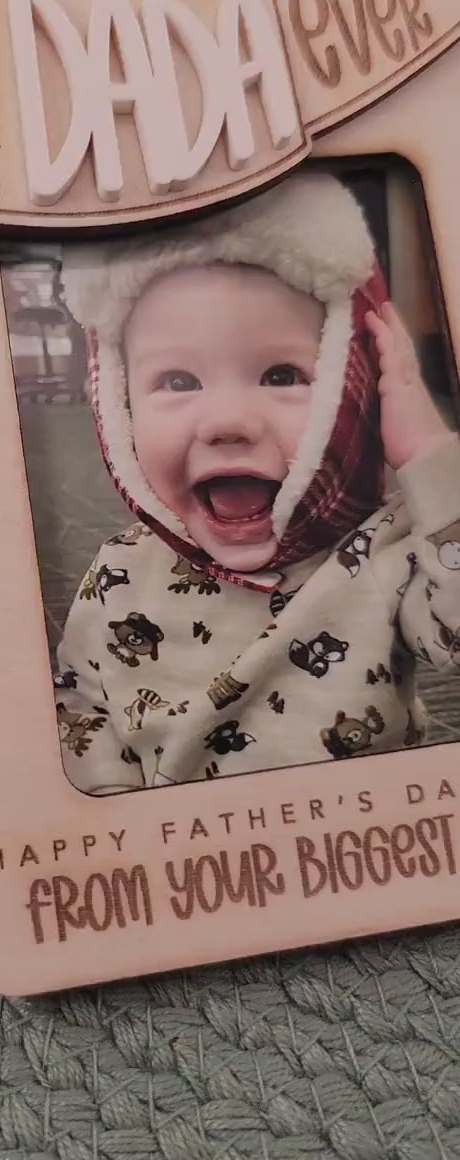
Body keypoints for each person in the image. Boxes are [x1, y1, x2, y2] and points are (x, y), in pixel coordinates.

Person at [53, 171, 460, 793]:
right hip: (185, 861)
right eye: (179, 382)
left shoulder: (386, 552)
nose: (227, 423)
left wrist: (429, 453)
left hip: (367, 853)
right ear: (118, 408)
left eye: (280, 375)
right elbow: (80, 708)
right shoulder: (118, 574)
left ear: (349, 389)